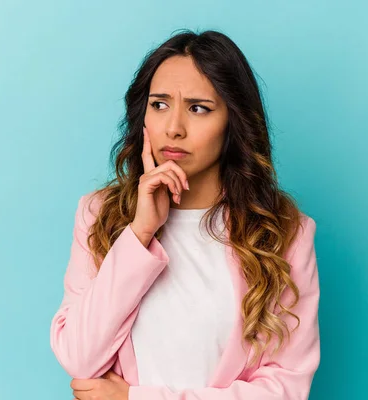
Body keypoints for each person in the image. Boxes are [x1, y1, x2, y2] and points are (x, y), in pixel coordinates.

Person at [50, 29, 321, 400]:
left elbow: (285, 389)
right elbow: (79, 359)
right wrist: (140, 232)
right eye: (159, 104)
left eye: (198, 108)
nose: (173, 128)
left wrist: (136, 399)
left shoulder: (284, 232)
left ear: (233, 122)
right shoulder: (99, 215)